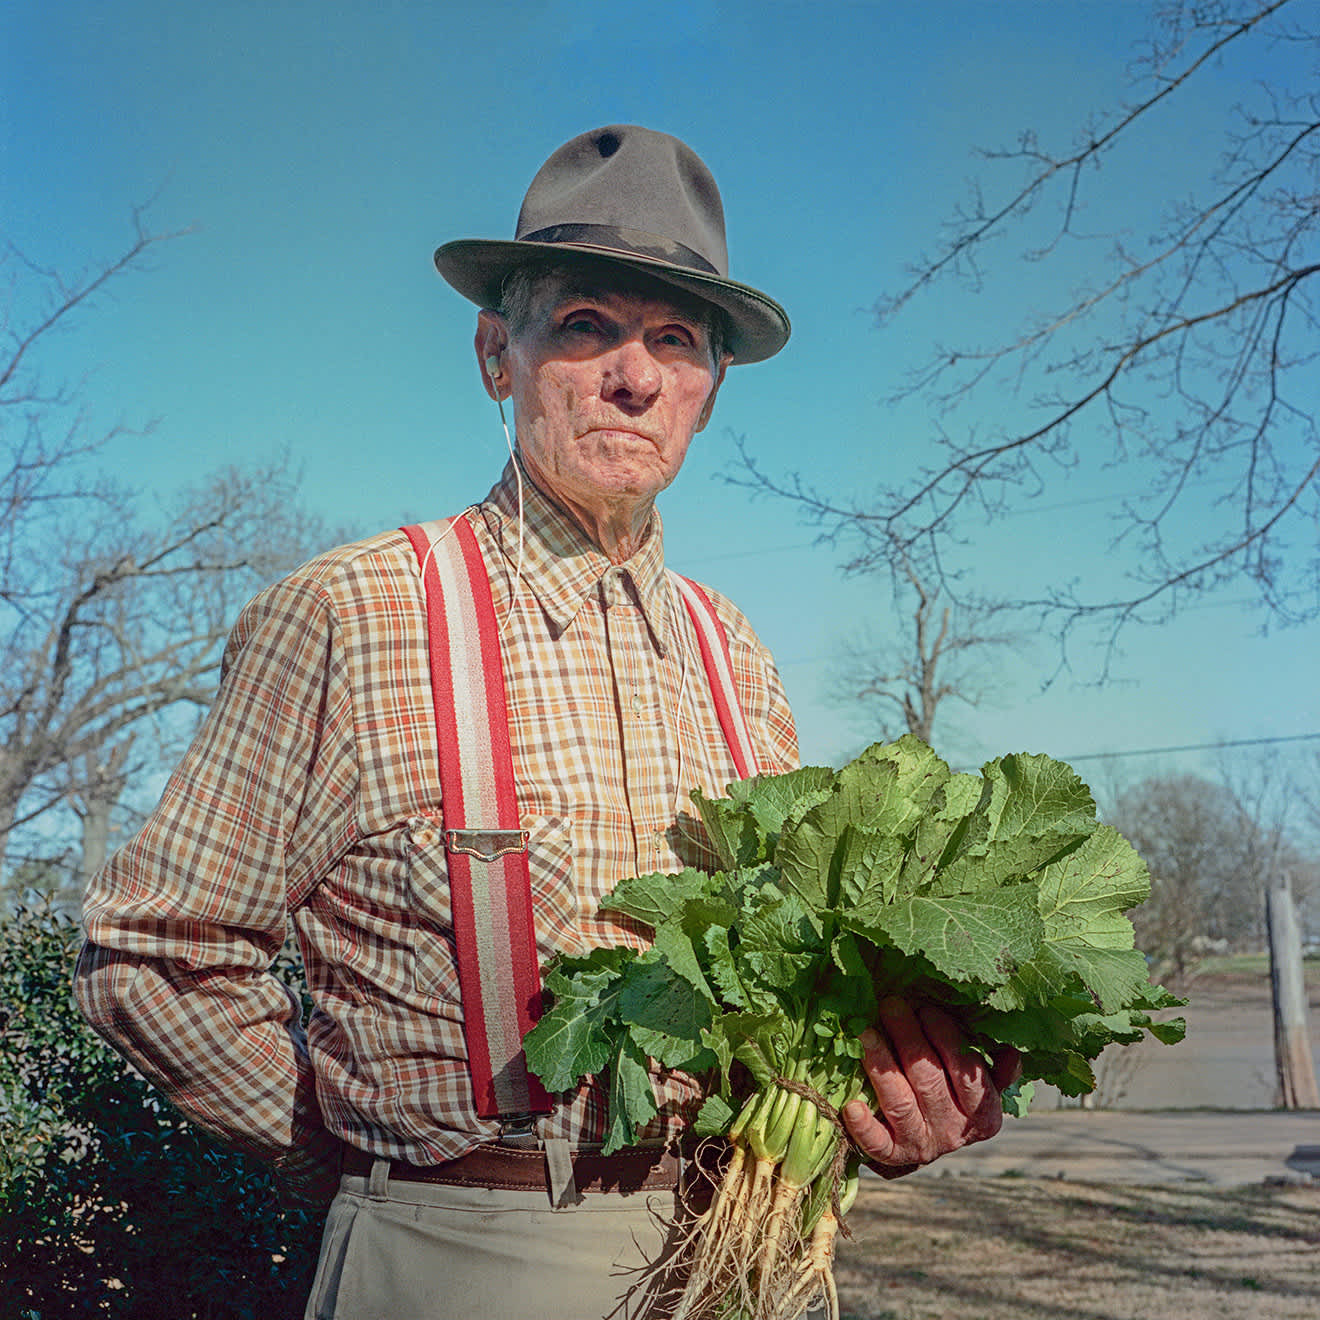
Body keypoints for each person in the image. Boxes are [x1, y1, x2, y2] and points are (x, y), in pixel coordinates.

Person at [74, 125, 1018, 1320]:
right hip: (459, 1262)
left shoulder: (739, 659)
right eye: (587, 326)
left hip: (746, 1255)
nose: (636, 375)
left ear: (708, 392)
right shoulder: (358, 612)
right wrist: (362, 1162)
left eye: (676, 341)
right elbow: (154, 953)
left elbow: (791, 999)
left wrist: (885, 1109)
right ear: (494, 355)